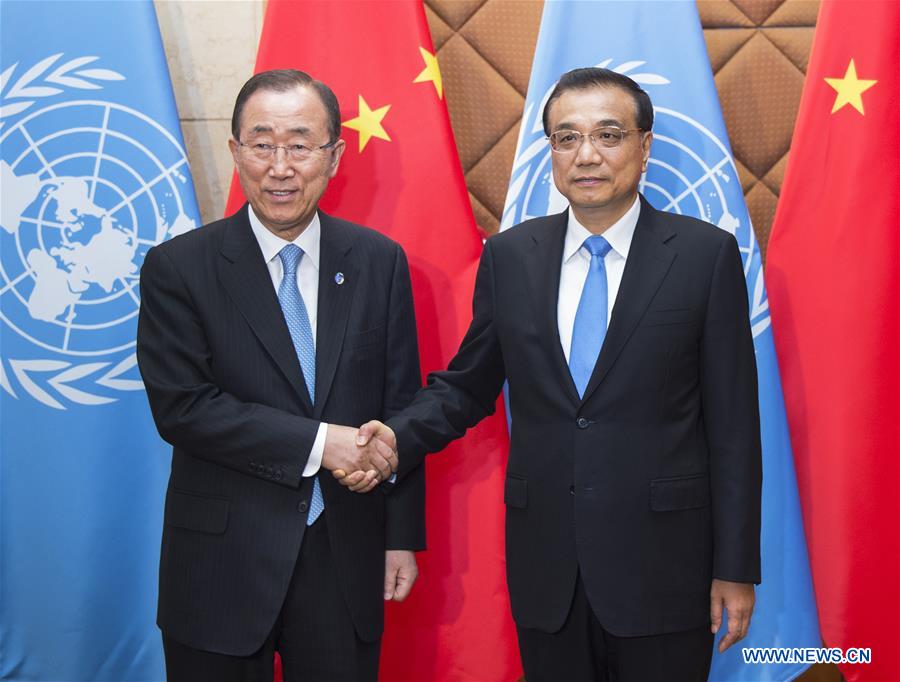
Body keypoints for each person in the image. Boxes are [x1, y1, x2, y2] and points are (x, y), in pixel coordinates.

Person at [349, 67, 762, 681]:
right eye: (566, 138)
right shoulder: (511, 257)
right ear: (550, 154)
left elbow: (734, 425)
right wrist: (393, 438)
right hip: (548, 570)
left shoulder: (704, 256)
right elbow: (466, 386)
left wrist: (734, 567)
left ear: (644, 147)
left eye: (608, 135)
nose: (586, 155)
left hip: (666, 565)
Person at [136, 69, 424, 682]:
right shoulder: (179, 268)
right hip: (220, 559)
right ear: (235, 151)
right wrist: (324, 444)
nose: (280, 165)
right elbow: (184, 409)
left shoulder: (378, 262)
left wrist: (399, 535)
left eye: (300, 144)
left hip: (344, 552)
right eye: (261, 143)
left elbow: (399, 407)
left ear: (335, 156)